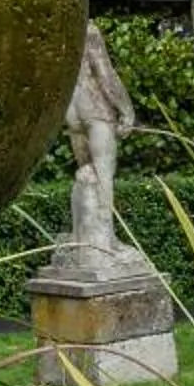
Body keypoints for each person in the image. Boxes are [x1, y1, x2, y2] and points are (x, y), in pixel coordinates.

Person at [63, 24, 134, 263]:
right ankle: (106, 242)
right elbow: (104, 74)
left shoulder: (59, 30)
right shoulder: (86, 30)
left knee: (84, 175)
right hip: (95, 109)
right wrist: (126, 110)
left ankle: (78, 238)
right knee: (103, 179)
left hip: (72, 113)